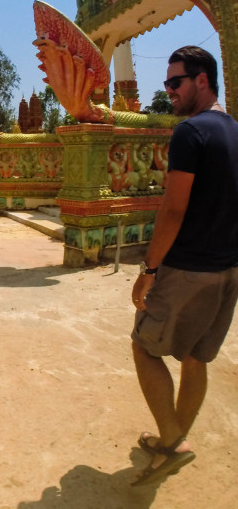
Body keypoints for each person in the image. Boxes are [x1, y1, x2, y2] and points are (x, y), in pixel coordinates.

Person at [130, 46, 238, 486]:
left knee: (144, 346)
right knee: (196, 357)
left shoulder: (190, 134)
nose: (170, 91)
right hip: (228, 271)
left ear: (203, 80)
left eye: (176, 82)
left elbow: (172, 212)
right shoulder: (235, 131)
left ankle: (173, 440)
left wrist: (149, 269)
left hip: (188, 269)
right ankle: (168, 443)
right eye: (167, 84)